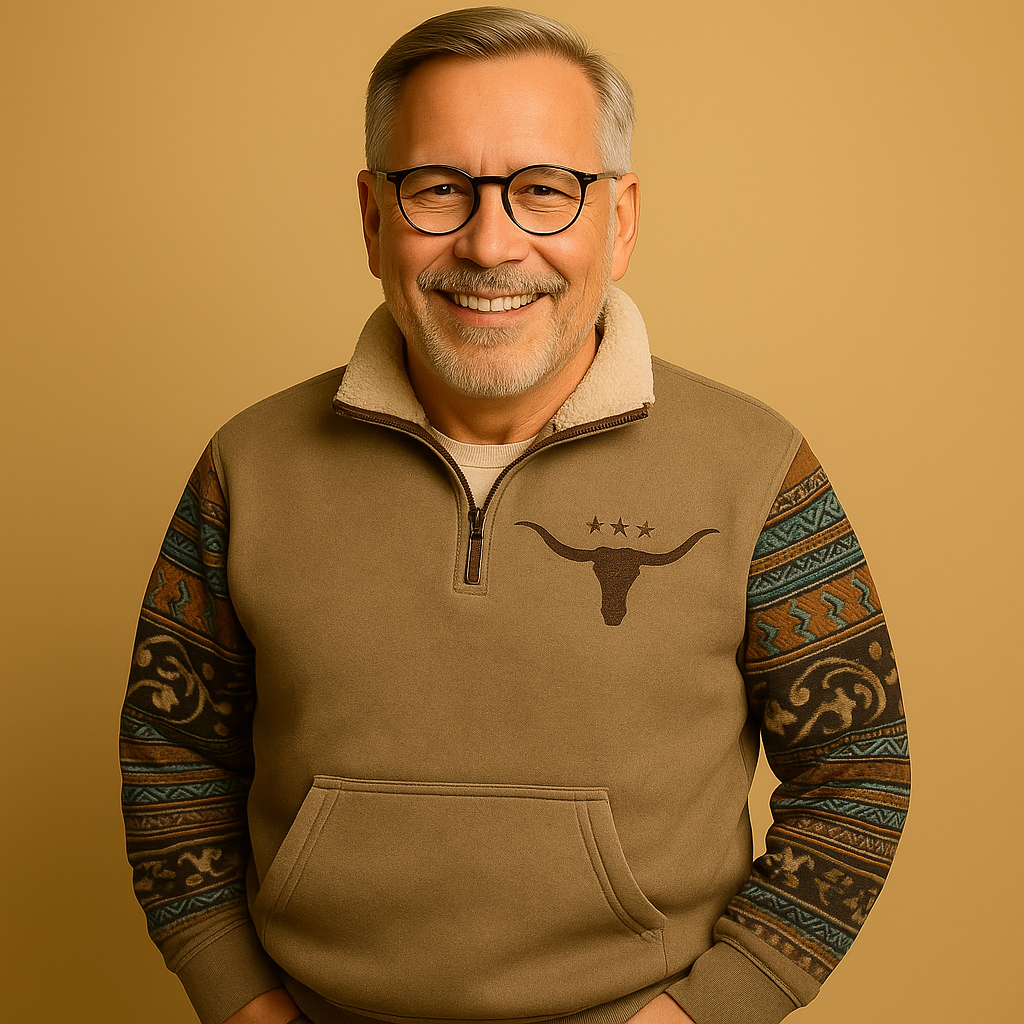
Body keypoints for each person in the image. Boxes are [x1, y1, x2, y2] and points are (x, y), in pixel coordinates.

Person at [120, 8, 910, 1024]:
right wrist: (238, 999)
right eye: (437, 188)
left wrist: (711, 1011)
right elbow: (170, 756)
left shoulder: (757, 468)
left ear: (620, 219)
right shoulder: (248, 465)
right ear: (372, 217)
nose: (490, 244)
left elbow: (857, 775)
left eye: (544, 190)